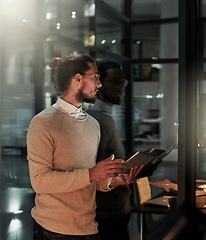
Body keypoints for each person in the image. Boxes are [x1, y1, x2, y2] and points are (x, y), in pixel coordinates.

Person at [26, 53, 143, 240]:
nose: (99, 84)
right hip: (54, 232)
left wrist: (112, 181)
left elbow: (89, 180)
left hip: (89, 228)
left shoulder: (92, 124)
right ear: (78, 78)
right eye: (95, 77)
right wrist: (91, 174)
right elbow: (39, 181)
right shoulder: (43, 123)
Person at [86, 62, 132, 240]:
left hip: (116, 211)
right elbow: (92, 171)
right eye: (115, 82)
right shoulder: (96, 120)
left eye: (122, 82)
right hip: (107, 215)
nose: (121, 87)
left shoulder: (105, 117)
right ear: (99, 84)